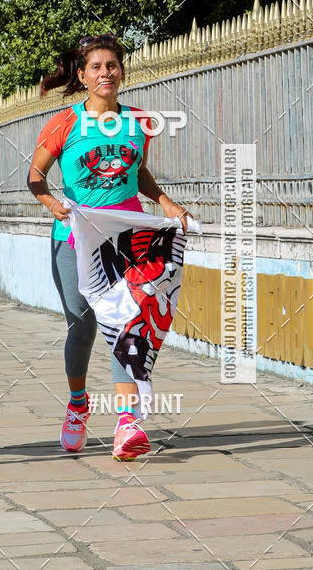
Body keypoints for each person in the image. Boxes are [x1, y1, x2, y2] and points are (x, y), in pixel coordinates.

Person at [27, 34, 190, 460]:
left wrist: (165, 201)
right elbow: (35, 177)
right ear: (82, 76)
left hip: (128, 236)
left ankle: (127, 422)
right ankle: (78, 404)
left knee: (127, 319)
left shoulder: (138, 122)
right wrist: (52, 204)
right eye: (96, 67)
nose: (106, 73)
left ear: (122, 71)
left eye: (112, 65)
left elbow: (138, 173)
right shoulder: (64, 123)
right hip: (75, 237)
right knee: (81, 326)